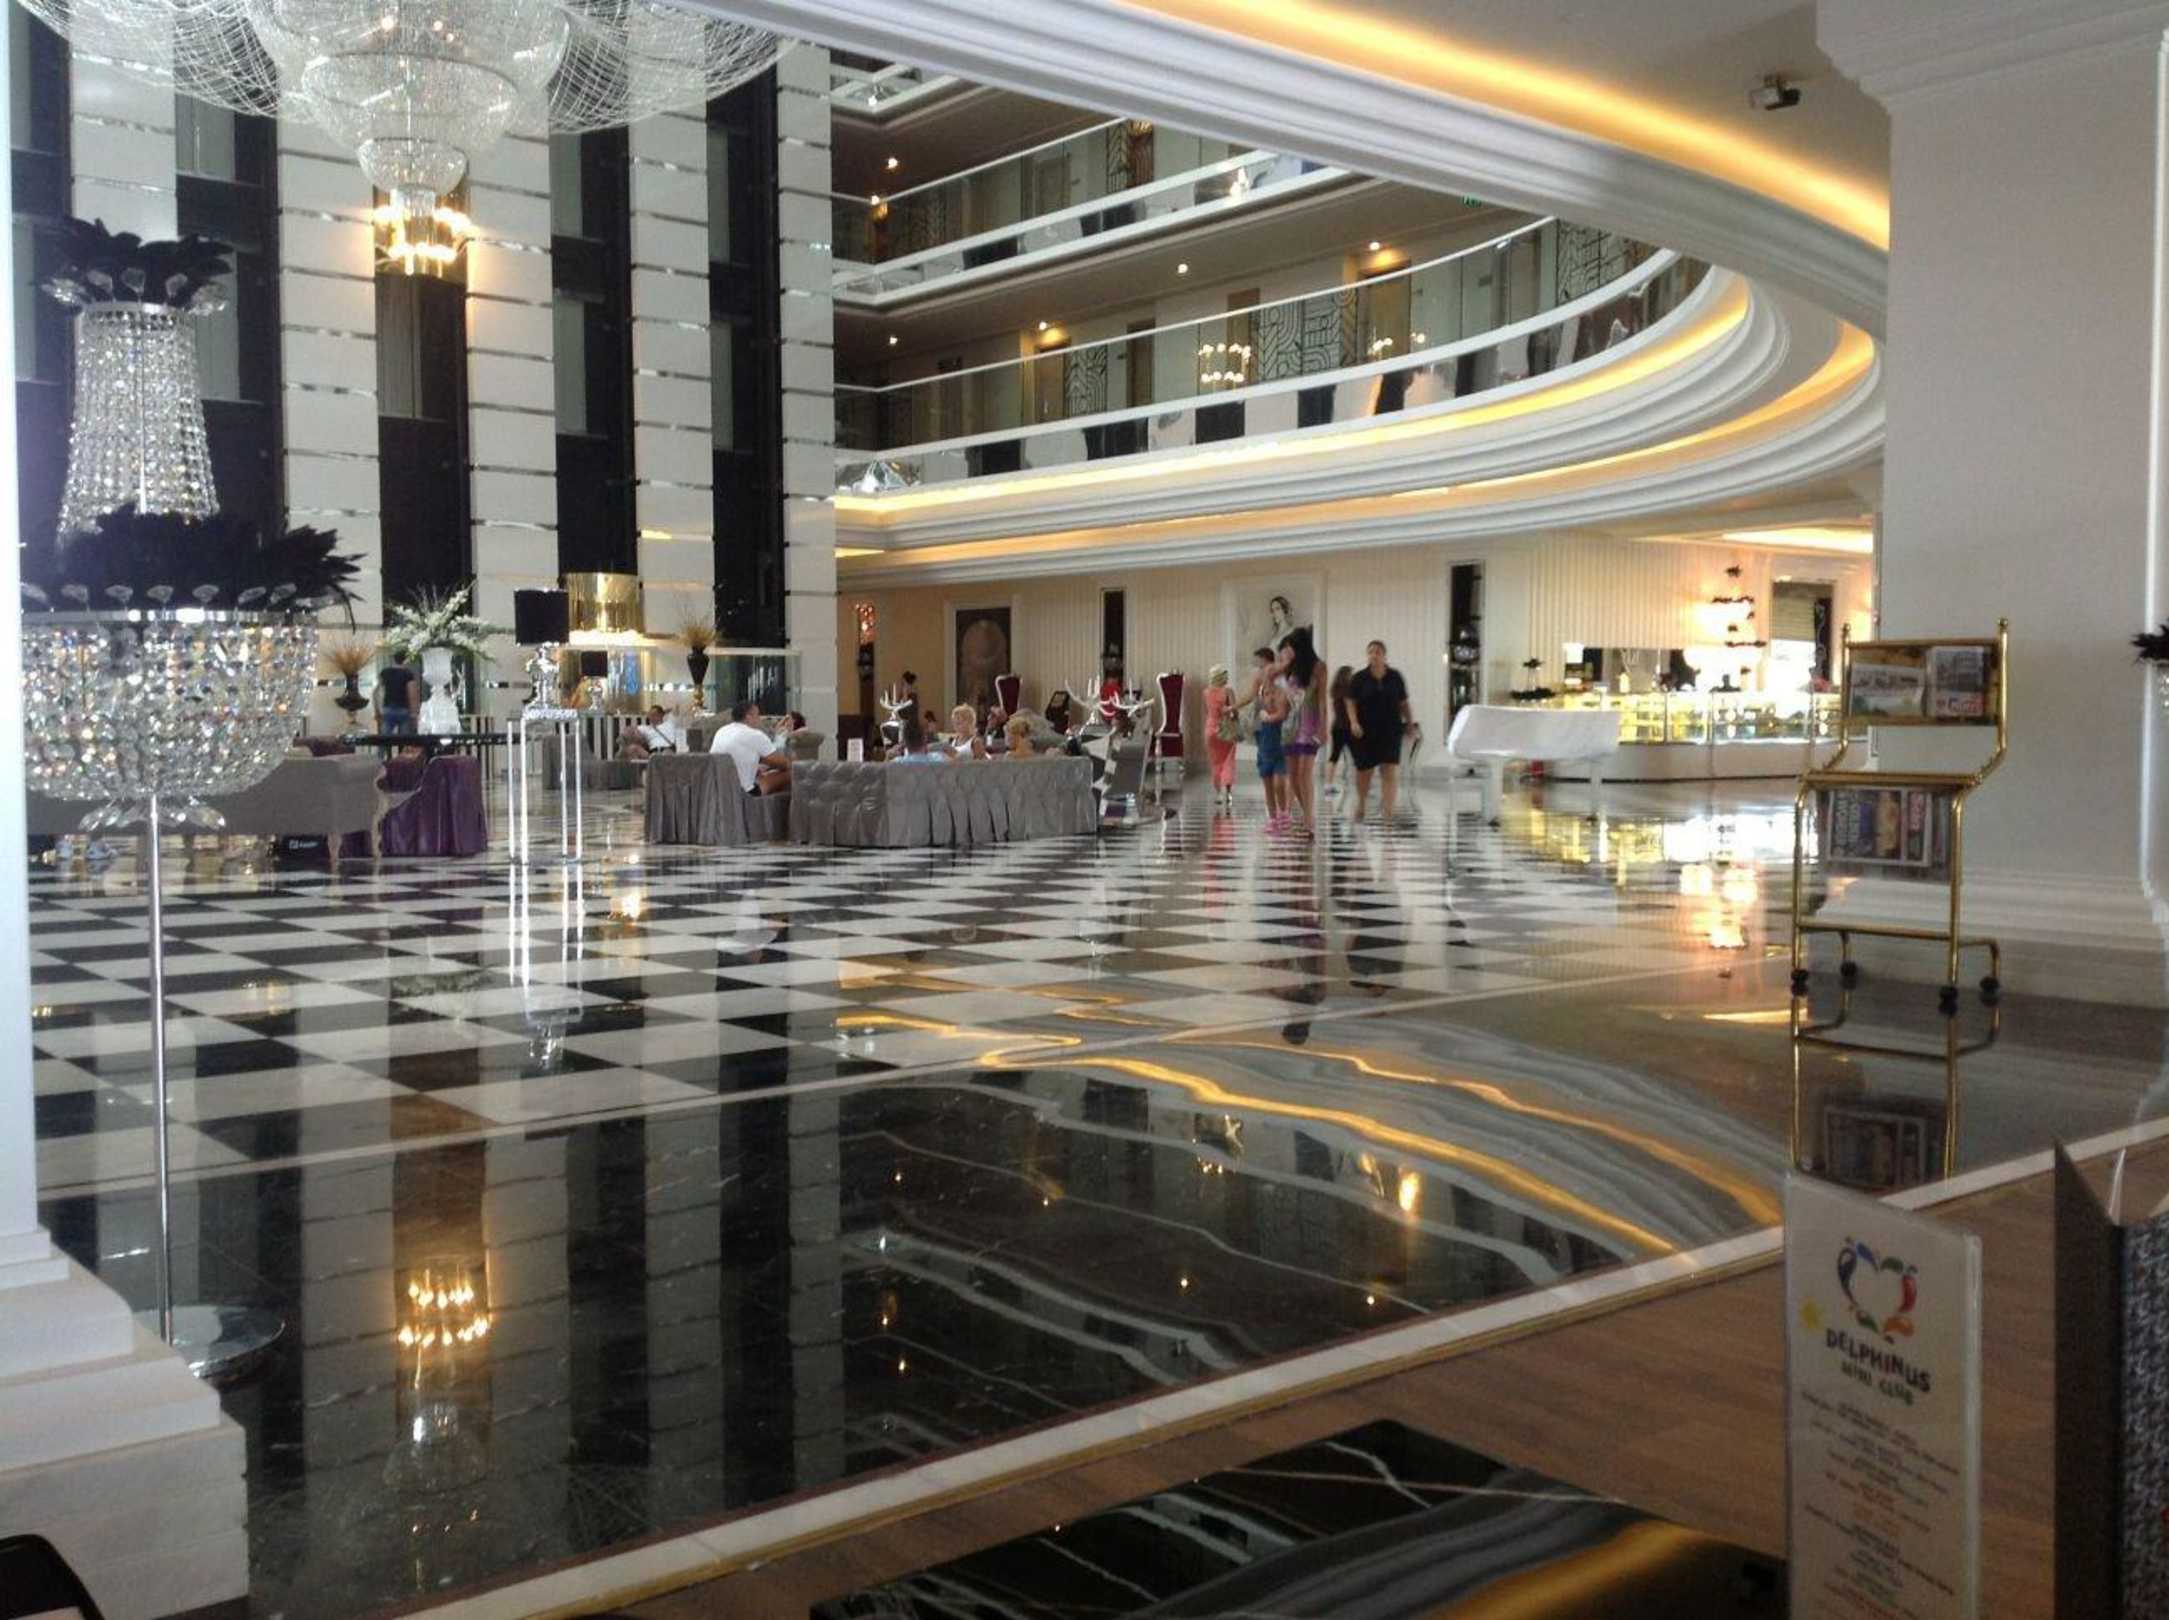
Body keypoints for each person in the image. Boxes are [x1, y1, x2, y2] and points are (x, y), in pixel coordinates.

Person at [1346, 639, 1412, 824]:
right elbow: (1350, 702)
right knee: (1364, 771)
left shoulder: (1395, 677)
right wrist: (1353, 722)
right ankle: (1361, 804)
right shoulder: (1359, 678)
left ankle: (1388, 812)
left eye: (1377, 652)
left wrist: (1409, 722)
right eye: (1370, 652)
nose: (1373, 655)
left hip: (1390, 729)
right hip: (1365, 730)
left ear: (1384, 655)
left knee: (1389, 770)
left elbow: (1403, 702)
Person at [1277, 628, 1325, 838]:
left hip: (1310, 725)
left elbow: (1322, 701)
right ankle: (1307, 815)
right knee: (1294, 776)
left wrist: (1323, 727)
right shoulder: (1290, 668)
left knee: (1305, 773)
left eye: (1291, 647)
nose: (1289, 651)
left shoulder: (1319, 667)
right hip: (1290, 726)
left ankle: (1309, 820)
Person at [710, 699, 793, 795]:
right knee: (791, 773)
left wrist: (756, 768)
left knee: (762, 773)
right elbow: (783, 764)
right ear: (748, 717)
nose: (760, 719)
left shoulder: (722, 731)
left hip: (717, 789)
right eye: (757, 715)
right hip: (744, 793)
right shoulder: (755, 735)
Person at [1246, 645, 1289, 825]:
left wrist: (1270, 717)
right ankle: (1272, 818)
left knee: (1279, 784)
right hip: (1263, 743)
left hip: (1279, 743)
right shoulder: (1260, 693)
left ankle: (1283, 813)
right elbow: (1250, 702)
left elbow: (1283, 713)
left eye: (1262, 667)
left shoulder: (1280, 692)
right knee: (1267, 783)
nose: (1259, 671)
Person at [1202, 664, 1239, 811]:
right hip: (1226, 730)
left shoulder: (1206, 692)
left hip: (1210, 729)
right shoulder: (1228, 691)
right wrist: (1234, 720)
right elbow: (1235, 711)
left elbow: (1207, 711)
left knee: (1215, 762)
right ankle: (1228, 793)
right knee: (1228, 761)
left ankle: (1218, 794)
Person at [1324, 664, 1355, 798]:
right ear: (1346, 676)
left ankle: (1328, 785)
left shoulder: (1335, 691)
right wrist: (1354, 723)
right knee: (1359, 756)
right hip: (1347, 727)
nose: (1352, 677)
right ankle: (1362, 784)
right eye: (1351, 674)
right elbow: (1349, 708)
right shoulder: (1347, 691)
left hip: (1336, 726)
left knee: (1334, 756)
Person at [619, 704, 683, 762]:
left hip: (668, 750)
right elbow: (627, 730)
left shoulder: (670, 723)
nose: (650, 717)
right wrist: (633, 733)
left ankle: (660, 761)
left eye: (653, 714)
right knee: (633, 748)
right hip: (652, 754)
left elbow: (676, 708)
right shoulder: (646, 728)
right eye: (649, 715)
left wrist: (665, 711)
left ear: (660, 715)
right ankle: (638, 770)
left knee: (666, 753)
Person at [375, 657, 418, 737]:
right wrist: (413, 714)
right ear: (406, 661)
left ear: (394, 660)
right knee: (404, 739)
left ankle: (384, 745)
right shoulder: (408, 674)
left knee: (384, 739)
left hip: (387, 709)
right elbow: (412, 694)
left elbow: (377, 691)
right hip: (403, 709)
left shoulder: (385, 672)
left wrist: (377, 710)